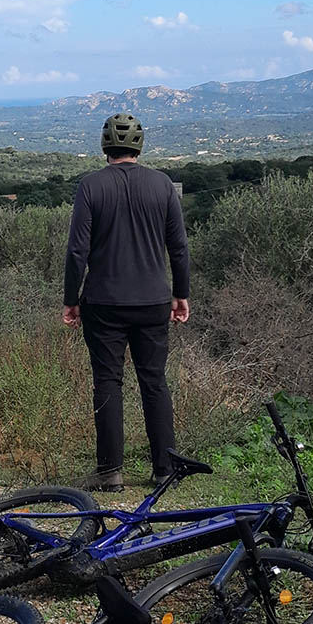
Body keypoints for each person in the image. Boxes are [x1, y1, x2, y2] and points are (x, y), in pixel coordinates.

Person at [62, 112, 190, 492]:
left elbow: (76, 252)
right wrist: (180, 295)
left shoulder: (91, 187)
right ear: (139, 146)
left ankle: (110, 472)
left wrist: (71, 300)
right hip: (154, 301)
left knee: (107, 382)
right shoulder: (163, 185)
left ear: (105, 146)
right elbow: (179, 248)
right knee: (154, 382)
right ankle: (165, 470)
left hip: (103, 302)